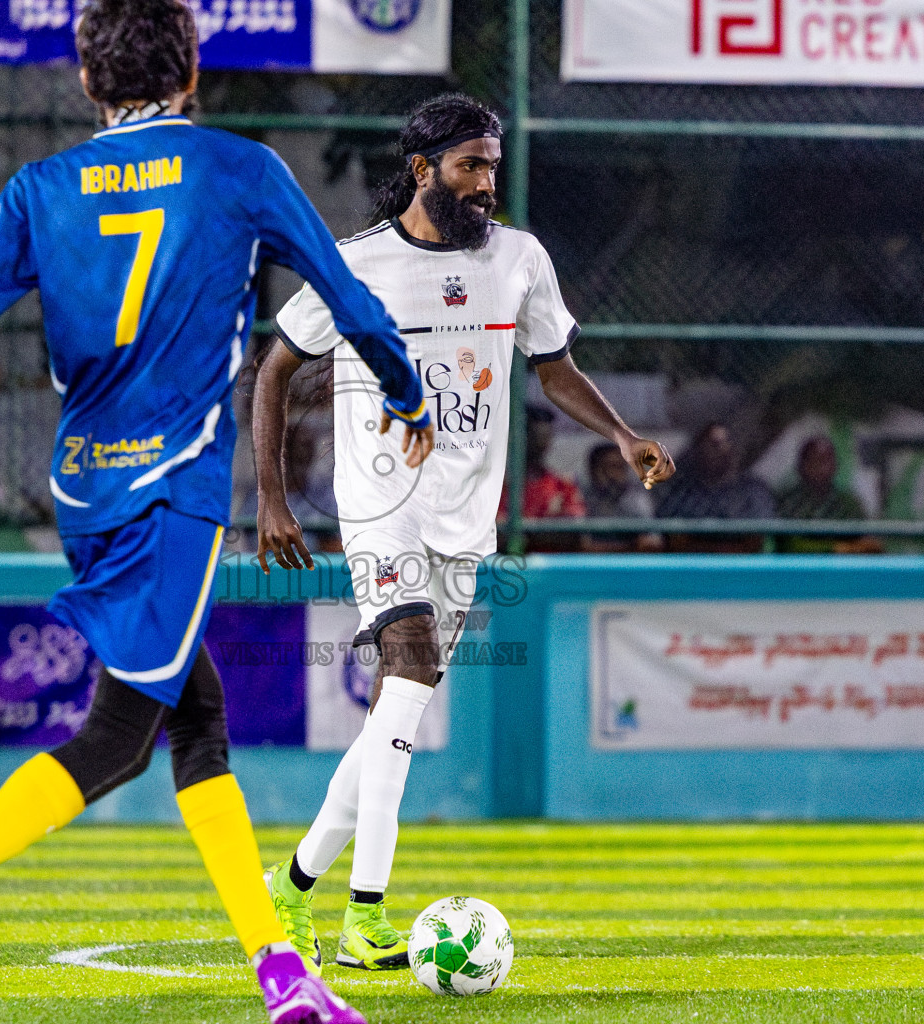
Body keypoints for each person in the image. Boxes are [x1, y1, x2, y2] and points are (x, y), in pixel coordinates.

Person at [0, 2, 432, 1020]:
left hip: (85, 493)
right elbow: (346, 296)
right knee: (120, 735)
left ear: (87, 82)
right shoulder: (240, 168)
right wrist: (406, 392)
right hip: (174, 490)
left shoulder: (39, 189)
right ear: (192, 72)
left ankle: (284, 979)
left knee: (199, 719)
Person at [252, 93, 674, 975]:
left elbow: (554, 369)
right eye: (470, 165)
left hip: (465, 520)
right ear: (422, 170)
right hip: (381, 507)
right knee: (407, 672)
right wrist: (273, 499)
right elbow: (274, 370)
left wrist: (622, 435)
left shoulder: (519, 259)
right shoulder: (355, 265)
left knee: (394, 716)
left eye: (492, 166)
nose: (486, 183)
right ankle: (365, 918)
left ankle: (288, 888)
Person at [654, 421, 774, 553]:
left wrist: (723, 550)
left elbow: (756, 539)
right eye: (713, 445)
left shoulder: (752, 489)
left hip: (742, 563)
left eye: (725, 443)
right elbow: (674, 537)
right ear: (699, 449)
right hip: (690, 562)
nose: (720, 450)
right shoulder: (682, 491)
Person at [773, 435, 882, 554]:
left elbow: (866, 540)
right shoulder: (789, 500)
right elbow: (788, 544)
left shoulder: (847, 501)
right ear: (801, 466)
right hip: (798, 564)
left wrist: (859, 547)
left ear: (835, 465)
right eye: (815, 461)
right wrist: (835, 548)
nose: (822, 468)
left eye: (827, 461)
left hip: (841, 564)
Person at [512, 405, 587, 552]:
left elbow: (574, 532)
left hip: (551, 562)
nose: (541, 444)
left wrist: (529, 532)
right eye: (534, 436)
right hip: (504, 562)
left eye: (545, 437)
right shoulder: (497, 484)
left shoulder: (562, 484)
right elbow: (496, 534)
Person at [581, 440, 661, 552]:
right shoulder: (582, 495)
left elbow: (652, 541)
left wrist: (629, 546)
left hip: (629, 560)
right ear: (594, 469)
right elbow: (583, 544)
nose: (616, 474)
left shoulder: (635, 497)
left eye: (621, 467)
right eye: (611, 466)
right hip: (590, 561)